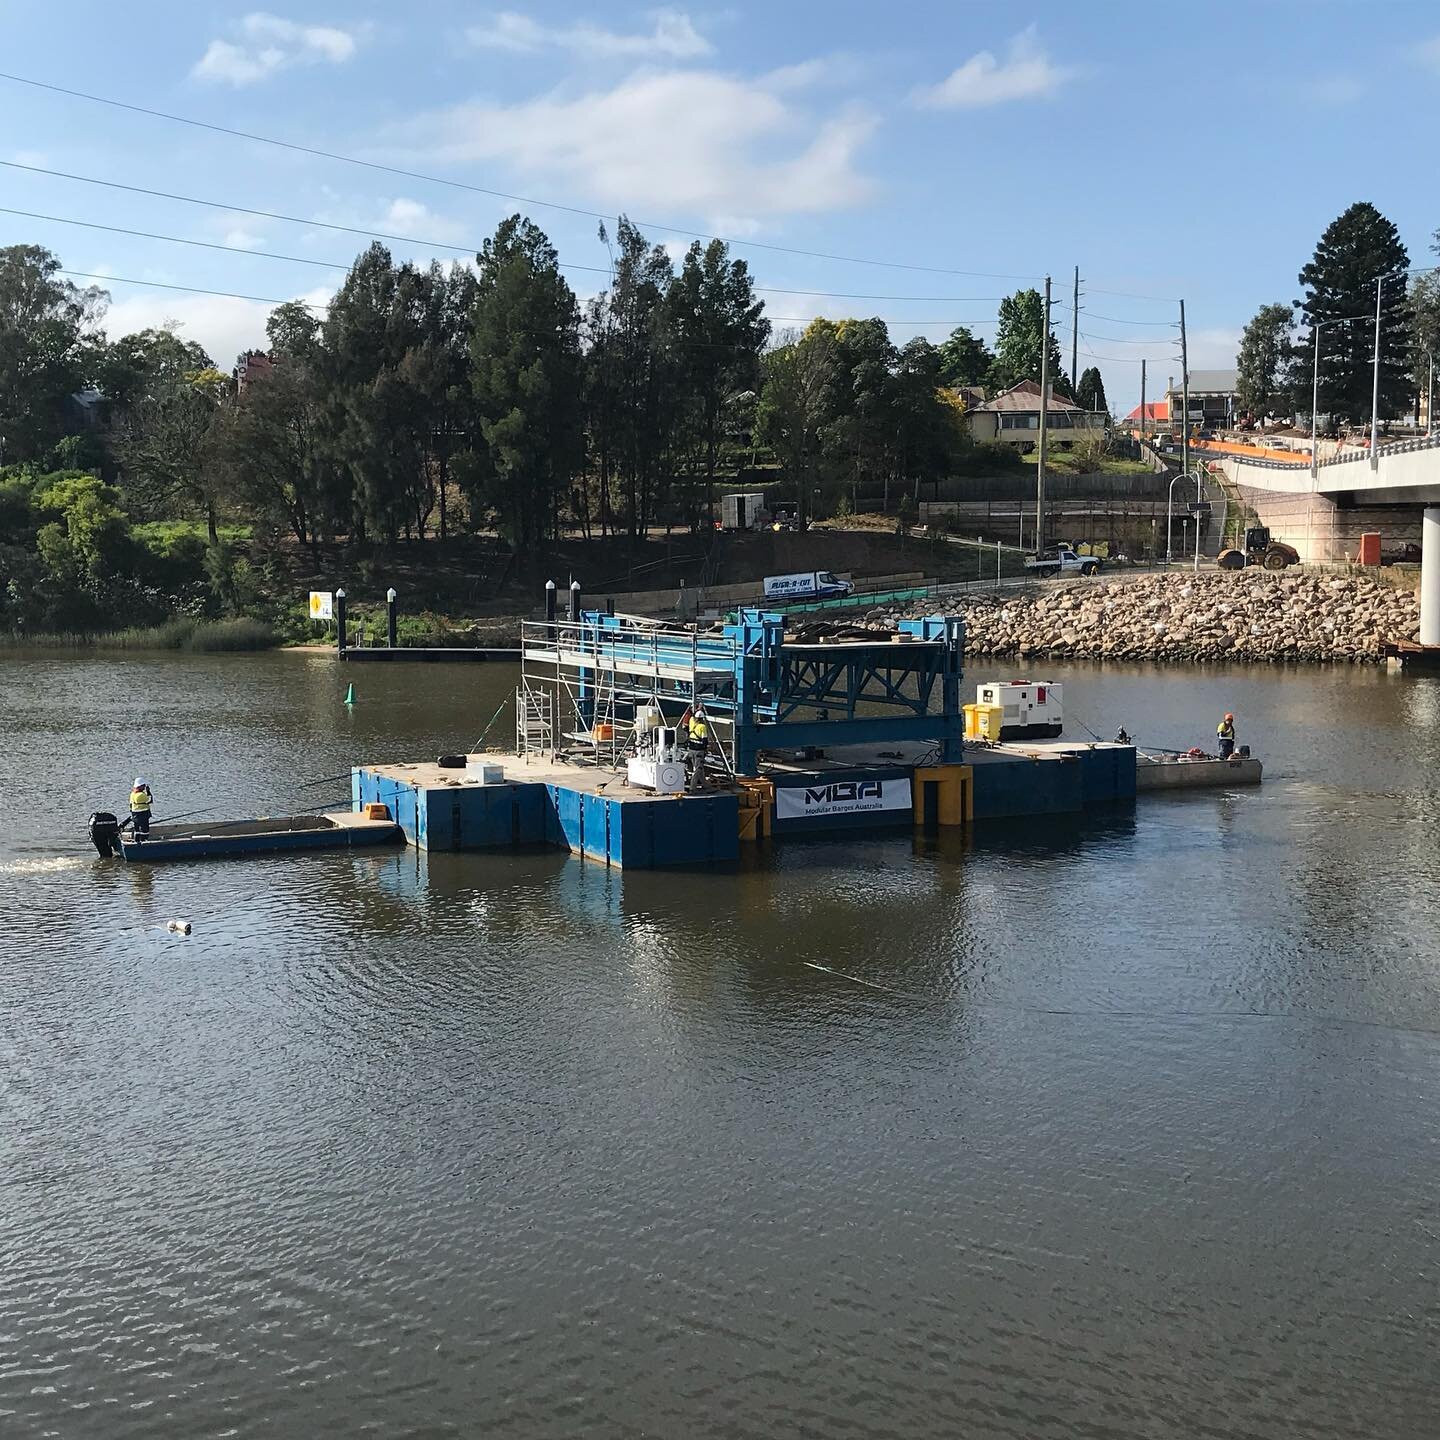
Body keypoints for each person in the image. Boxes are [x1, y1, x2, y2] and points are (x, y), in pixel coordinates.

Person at [685, 704, 710, 791]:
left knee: (700, 768)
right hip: (699, 751)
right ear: (702, 719)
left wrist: (698, 709)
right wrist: (706, 749)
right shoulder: (702, 727)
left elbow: (692, 716)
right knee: (698, 769)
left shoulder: (692, 721)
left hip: (691, 750)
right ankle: (692, 788)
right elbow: (704, 740)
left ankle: (705, 785)